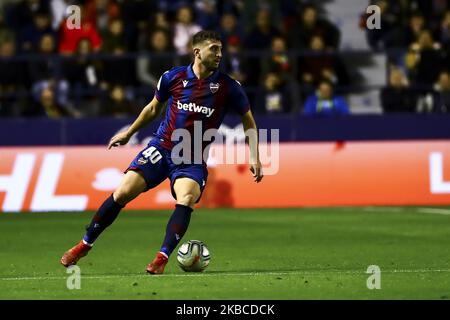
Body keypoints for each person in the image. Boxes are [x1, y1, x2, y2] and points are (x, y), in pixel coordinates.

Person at [60, 30, 264, 274]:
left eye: (220, 49)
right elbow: (154, 107)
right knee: (123, 192)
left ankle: (162, 257)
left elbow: (248, 120)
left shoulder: (229, 87)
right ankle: (84, 245)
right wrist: (128, 133)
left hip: (191, 158)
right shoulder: (173, 77)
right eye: (214, 49)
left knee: (186, 197)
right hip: (161, 147)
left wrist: (254, 155)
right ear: (197, 52)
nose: (220, 54)